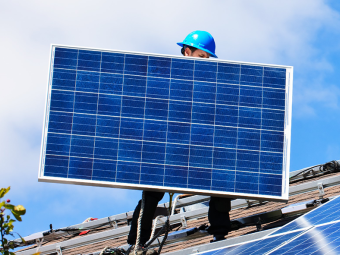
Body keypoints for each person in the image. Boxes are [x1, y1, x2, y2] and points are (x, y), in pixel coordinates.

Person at [127, 31, 231, 254]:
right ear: (187, 51)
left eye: (207, 58)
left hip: (200, 145)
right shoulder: (165, 77)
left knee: (221, 178)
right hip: (170, 145)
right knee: (153, 189)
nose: (205, 62)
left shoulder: (213, 84)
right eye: (201, 56)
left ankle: (220, 233)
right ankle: (137, 241)